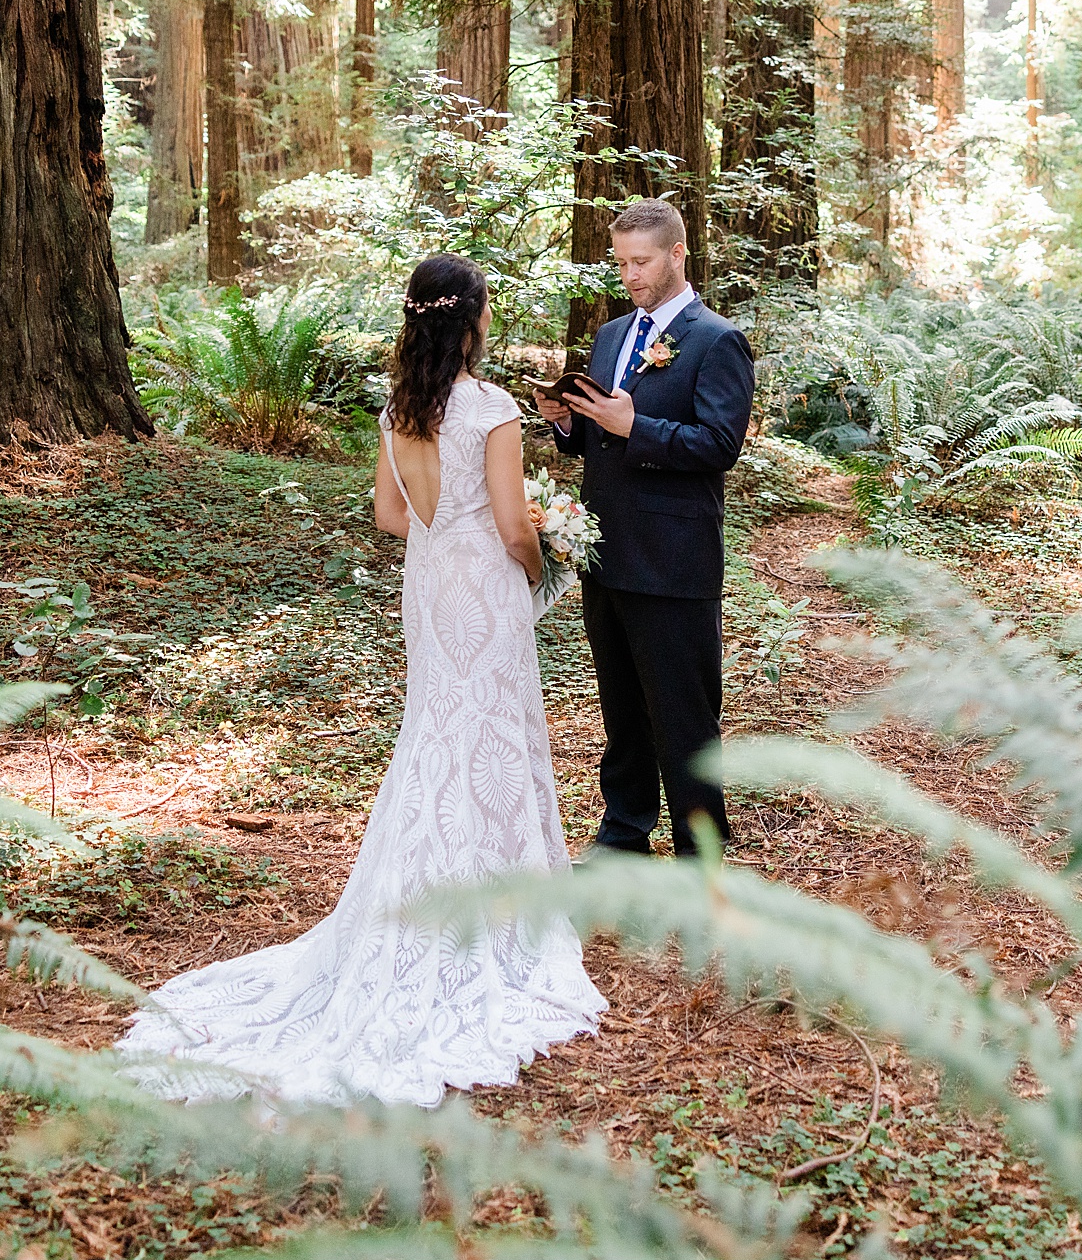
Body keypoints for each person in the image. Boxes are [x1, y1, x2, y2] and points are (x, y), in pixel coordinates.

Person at [115, 253, 603, 1106]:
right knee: (487, 730)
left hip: (428, 585)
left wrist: (452, 529)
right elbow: (509, 523)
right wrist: (540, 558)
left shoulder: (398, 408)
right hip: (483, 588)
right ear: (474, 321)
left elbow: (388, 515)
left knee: (440, 731)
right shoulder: (490, 406)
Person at [535, 199, 755, 860]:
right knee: (622, 713)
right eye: (621, 262)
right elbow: (596, 444)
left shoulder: (717, 340)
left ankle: (702, 857)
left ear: (677, 254)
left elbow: (720, 444)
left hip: (675, 562)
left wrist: (640, 427)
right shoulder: (609, 337)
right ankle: (623, 836)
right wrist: (566, 422)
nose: (629, 275)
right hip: (607, 556)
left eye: (641, 261)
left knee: (684, 720)